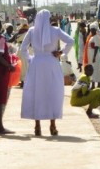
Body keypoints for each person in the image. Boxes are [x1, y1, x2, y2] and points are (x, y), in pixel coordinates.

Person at [20, 9, 74, 137]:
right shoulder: (55, 30)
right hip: (51, 63)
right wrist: (61, 52)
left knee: (36, 92)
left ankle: (37, 126)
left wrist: (31, 59)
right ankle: (52, 125)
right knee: (53, 92)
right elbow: (70, 41)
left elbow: (23, 49)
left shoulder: (32, 31)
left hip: (36, 64)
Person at [82, 23, 100, 89]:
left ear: (95, 30)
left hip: (95, 55)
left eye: (93, 29)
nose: (91, 31)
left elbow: (96, 47)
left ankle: (97, 84)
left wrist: (94, 57)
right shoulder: (91, 36)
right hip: (91, 55)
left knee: (96, 69)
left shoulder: (96, 37)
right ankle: (94, 83)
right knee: (92, 69)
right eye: (91, 29)